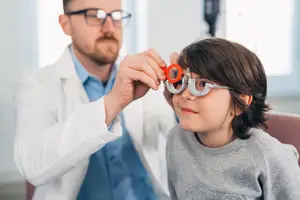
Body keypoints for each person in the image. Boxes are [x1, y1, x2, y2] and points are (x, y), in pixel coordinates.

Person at [13, 0, 177, 199]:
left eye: (116, 16)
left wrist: (184, 99)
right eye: (94, 15)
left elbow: (177, 134)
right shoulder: (38, 84)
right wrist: (112, 103)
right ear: (66, 24)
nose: (109, 27)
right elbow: (31, 163)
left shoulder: (141, 74)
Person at [166, 38, 300, 199]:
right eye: (181, 81)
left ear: (241, 102)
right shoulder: (176, 139)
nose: (185, 94)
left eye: (202, 85)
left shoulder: (268, 155)